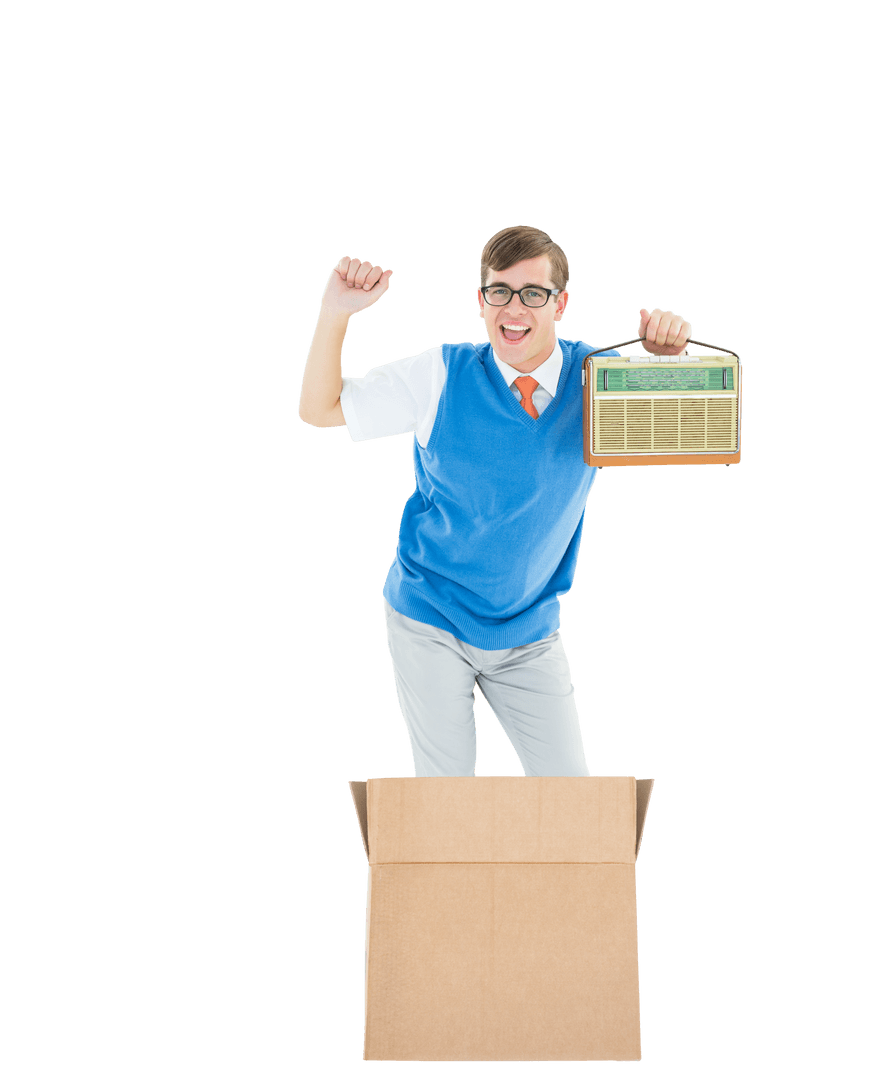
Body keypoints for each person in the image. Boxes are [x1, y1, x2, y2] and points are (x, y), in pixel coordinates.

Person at [297, 225, 693, 777]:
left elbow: (681, 434)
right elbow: (320, 409)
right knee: (447, 799)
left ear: (562, 304)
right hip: (431, 615)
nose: (514, 308)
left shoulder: (600, 378)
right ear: (480, 300)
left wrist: (664, 362)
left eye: (533, 293)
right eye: (499, 291)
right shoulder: (441, 375)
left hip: (528, 630)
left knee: (571, 804)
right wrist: (335, 310)